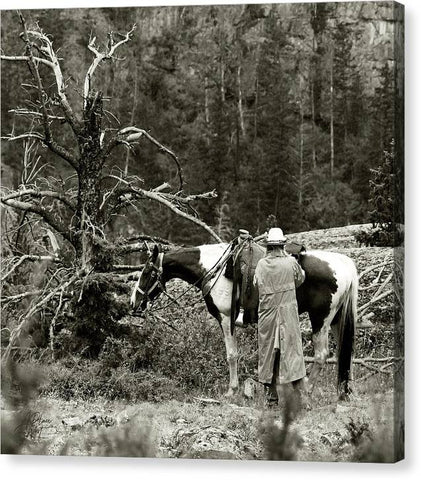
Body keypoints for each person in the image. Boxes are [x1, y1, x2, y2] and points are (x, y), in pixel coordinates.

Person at [254, 227, 308, 412]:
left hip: (267, 314)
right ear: (283, 245)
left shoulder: (261, 265)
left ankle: (271, 400)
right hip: (288, 312)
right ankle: (299, 400)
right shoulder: (291, 262)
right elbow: (300, 279)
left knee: (269, 354)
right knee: (292, 351)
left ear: (268, 246)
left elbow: (256, 284)